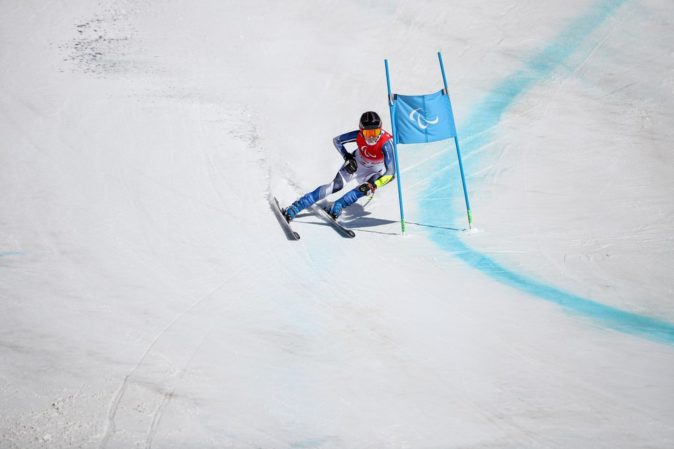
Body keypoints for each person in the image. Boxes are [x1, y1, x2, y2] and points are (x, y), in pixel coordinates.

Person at [283, 111, 395, 222]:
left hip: (374, 171)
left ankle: (338, 205)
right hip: (358, 164)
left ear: (380, 129)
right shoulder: (358, 135)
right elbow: (337, 140)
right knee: (335, 186)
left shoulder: (386, 143)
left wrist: (375, 184)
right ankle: (297, 206)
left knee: (366, 187)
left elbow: (391, 173)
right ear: (361, 131)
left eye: (375, 132)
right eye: (368, 133)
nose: (372, 137)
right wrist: (347, 157)